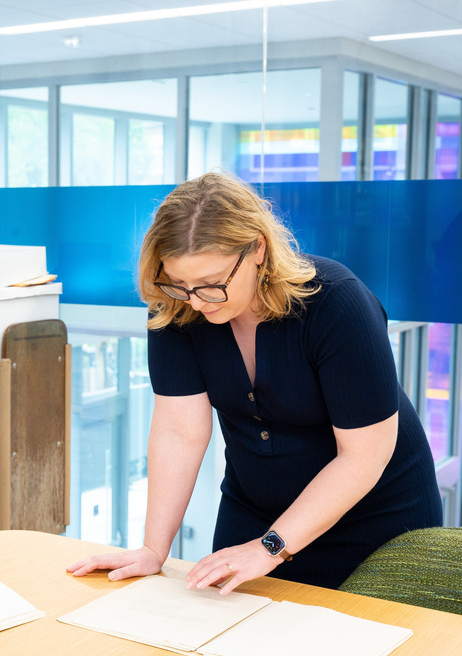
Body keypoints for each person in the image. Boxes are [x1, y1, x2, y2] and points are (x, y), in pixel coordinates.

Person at [67, 172, 441, 592]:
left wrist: (269, 548)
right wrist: (154, 549)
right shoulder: (176, 309)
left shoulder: (337, 303)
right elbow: (179, 432)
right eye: (180, 283)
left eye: (212, 284)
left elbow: (363, 456)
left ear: (258, 248)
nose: (195, 300)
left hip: (373, 520)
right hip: (254, 514)